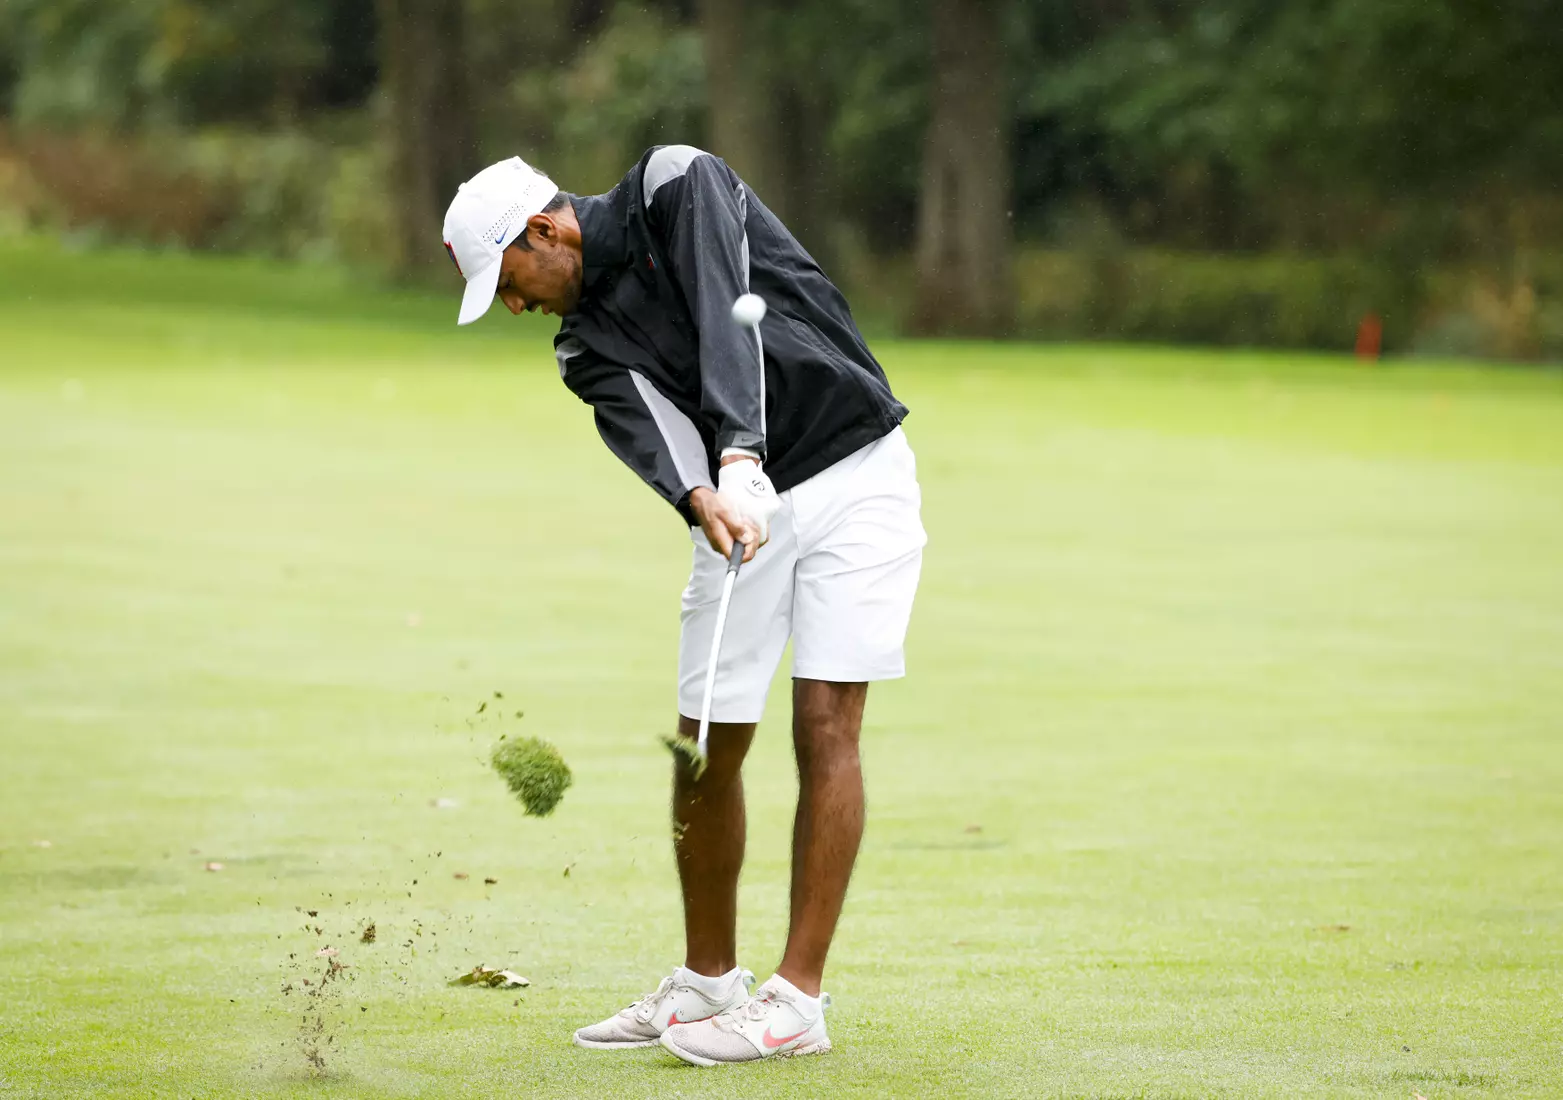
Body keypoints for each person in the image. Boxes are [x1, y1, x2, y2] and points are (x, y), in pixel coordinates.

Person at [441, 148, 926, 1066]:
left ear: (544, 231)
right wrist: (702, 496)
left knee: (825, 723)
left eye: (508, 282)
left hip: (856, 473)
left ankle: (797, 1001)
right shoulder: (582, 346)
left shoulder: (676, 184)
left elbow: (721, 302)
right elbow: (658, 440)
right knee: (704, 737)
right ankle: (708, 982)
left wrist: (739, 449)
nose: (513, 307)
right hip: (741, 512)